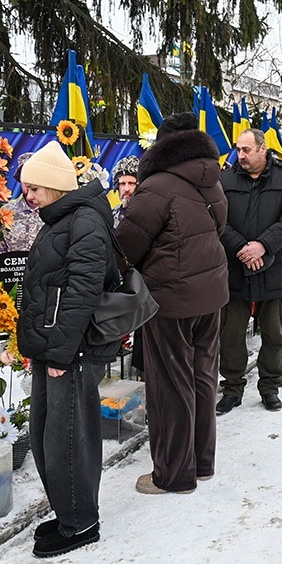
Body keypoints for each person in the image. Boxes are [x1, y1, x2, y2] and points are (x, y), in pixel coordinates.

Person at [115, 113, 228, 494]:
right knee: (202, 378)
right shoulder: (212, 180)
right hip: (210, 293)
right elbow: (218, 229)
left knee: (169, 386)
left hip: (170, 299)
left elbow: (128, 243)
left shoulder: (157, 186)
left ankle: (174, 474)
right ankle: (202, 462)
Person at [17, 140, 120, 558]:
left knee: (68, 438)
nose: (28, 196)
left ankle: (80, 523)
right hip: (54, 347)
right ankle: (68, 510)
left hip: (71, 351)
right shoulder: (61, 218)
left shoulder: (84, 222)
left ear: (55, 187)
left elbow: (81, 294)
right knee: (46, 435)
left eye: (34, 188)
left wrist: (60, 353)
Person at [217, 128, 282, 414]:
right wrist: (242, 247)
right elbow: (217, 218)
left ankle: (269, 387)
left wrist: (263, 246)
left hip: (273, 269)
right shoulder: (225, 179)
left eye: (246, 150)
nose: (240, 155)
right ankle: (231, 389)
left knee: (274, 335)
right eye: (238, 149)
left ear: (263, 149)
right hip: (235, 268)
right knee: (231, 336)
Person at [0, 151, 44, 255]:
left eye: (34, 176)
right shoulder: (5, 212)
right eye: (25, 176)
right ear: (20, 180)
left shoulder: (55, 210)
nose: (29, 181)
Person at [110, 156, 139, 227]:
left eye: (131, 183)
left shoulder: (148, 213)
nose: (126, 189)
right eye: (122, 183)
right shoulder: (111, 215)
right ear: (117, 186)